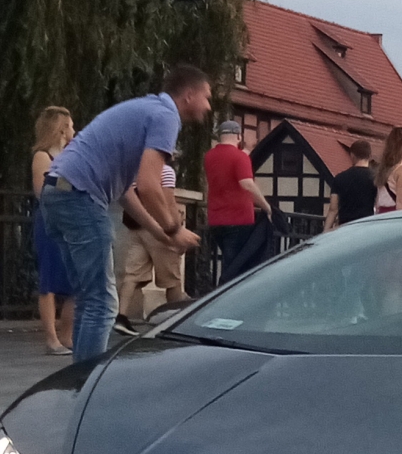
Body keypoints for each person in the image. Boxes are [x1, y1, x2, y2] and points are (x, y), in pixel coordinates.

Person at [38, 64, 208, 361]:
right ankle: (87, 385)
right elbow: (149, 184)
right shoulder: (166, 116)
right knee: (102, 302)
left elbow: (126, 192)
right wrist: (173, 228)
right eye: (206, 98)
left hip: (57, 192)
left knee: (89, 298)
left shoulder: (145, 109)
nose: (208, 106)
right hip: (80, 196)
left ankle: (79, 382)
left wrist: (161, 235)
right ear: (189, 95)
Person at [116, 154, 190, 327]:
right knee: (172, 279)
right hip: (158, 230)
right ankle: (174, 319)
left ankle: (121, 316)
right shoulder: (166, 171)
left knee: (132, 275)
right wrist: (176, 230)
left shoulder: (135, 171)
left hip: (136, 227)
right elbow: (168, 202)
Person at [30, 107, 76, 354]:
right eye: (71, 126)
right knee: (49, 279)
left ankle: (67, 336)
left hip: (71, 222)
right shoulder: (43, 156)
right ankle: (51, 338)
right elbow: (42, 191)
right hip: (50, 222)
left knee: (73, 280)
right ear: (61, 128)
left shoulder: (72, 154)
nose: (74, 131)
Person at [202, 130, 271, 278]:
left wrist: (248, 150)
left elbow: (228, 164)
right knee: (235, 265)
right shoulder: (240, 157)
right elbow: (247, 184)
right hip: (238, 219)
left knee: (228, 260)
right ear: (238, 137)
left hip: (216, 218)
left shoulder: (209, 156)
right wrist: (266, 206)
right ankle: (228, 296)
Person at [326, 139, 379, 226]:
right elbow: (378, 205)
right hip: (366, 225)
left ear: (352, 155)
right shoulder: (376, 178)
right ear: (370, 156)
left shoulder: (340, 178)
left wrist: (326, 231)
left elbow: (333, 209)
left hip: (345, 225)